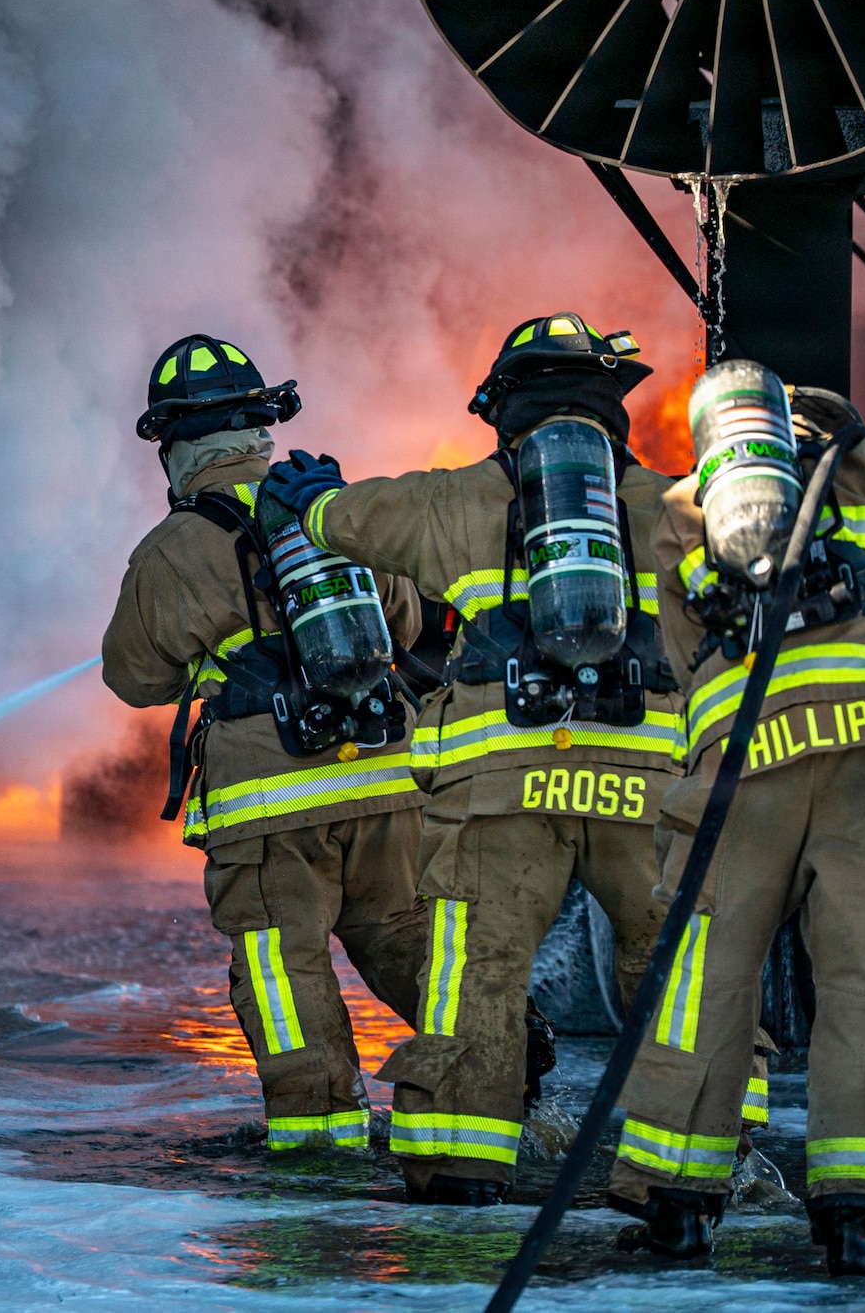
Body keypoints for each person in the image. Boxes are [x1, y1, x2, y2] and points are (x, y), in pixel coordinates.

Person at [605, 373, 865, 1273]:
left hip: (740, 754)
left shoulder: (686, 507)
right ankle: (863, 1219)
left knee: (705, 976)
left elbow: (685, 657)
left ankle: (675, 1205)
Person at [261, 313, 681, 1205]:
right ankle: (689, 1170)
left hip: (502, 790)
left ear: (504, 413)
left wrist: (311, 499)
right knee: (674, 969)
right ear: (614, 406)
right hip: (648, 789)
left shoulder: (453, 502)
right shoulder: (673, 506)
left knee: (474, 969)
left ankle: (459, 1167)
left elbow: (349, 519)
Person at [101, 334, 427, 1161]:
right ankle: (492, 1071)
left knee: (283, 968)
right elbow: (409, 622)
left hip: (269, 799)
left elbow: (134, 678)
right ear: (260, 427)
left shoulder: (171, 549)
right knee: (404, 931)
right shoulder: (328, 505)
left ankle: (322, 1148)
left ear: (174, 445)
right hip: (388, 774)